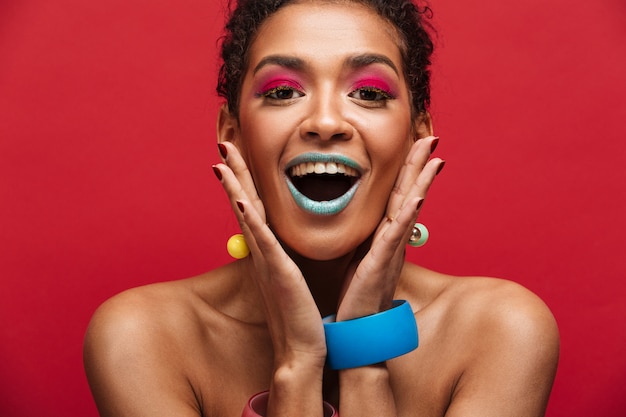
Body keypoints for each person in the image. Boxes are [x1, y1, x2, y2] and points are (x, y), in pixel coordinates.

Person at [83, 0, 560, 416]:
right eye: (283, 92)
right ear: (232, 134)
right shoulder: (141, 340)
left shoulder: (500, 331)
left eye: (369, 93)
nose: (326, 121)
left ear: (418, 136)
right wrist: (295, 364)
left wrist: (363, 361)